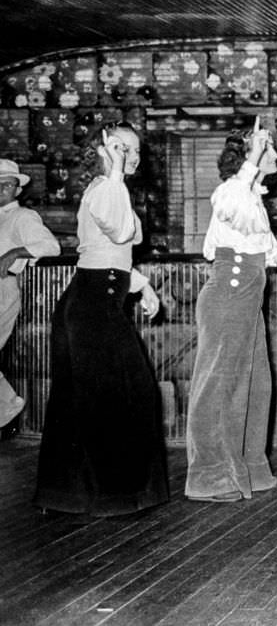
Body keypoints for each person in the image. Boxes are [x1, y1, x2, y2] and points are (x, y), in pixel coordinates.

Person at [34, 123, 167, 516]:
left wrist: (143, 286)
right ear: (104, 151)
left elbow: (109, 253)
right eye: (121, 148)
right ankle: (117, 496)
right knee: (124, 393)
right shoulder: (106, 188)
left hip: (95, 297)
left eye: (135, 151)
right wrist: (114, 170)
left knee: (86, 399)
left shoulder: (109, 189)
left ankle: (67, 496)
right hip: (93, 303)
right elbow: (120, 230)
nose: (131, 156)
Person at [185, 120, 277, 502]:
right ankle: (209, 476)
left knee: (255, 385)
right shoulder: (231, 191)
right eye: (265, 149)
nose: (272, 156)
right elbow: (232, 208)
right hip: (228, 293)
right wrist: (253, 157)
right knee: (220, 385)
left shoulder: (253, 196)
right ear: (247, 155)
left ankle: (249, 468)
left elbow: (264, 252)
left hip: (249, 294)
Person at [0, 159, 61, 428]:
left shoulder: (23, 216)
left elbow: (50, 246)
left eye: (7, 183)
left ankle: (9, 408)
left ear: (17, 189)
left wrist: (15, 252)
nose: (1, 188)